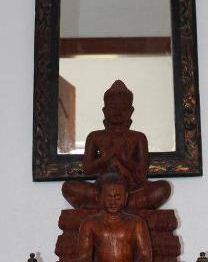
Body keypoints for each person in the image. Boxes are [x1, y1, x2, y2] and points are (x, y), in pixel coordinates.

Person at [61, 172, 173, 262]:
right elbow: (83, 259)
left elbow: (145, 257)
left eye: (117, 197)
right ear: (98, 198)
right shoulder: (89, 223)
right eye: (108, 197)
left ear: (126, 197)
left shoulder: (137, 223)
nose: (113, 201)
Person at [62, 80, 171, 209]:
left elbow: (142, 173)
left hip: (131, 189)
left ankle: (110, 205)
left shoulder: (138, 137)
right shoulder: (95, 136)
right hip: (102, 189)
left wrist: (124, 159)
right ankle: (117, 204)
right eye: (113, 107)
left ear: (130, 111)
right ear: (105, 111)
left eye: (123, 108)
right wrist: (106, 157)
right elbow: (87, 170)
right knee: (68, 187)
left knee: (163, 188)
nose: (118, 112)